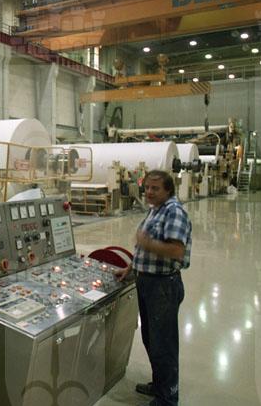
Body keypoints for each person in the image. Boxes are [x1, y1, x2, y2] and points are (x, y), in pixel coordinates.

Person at [115, 170, 192, 406]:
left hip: (163, 286)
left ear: (168, 190)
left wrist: (147, 243)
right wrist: (131, 268)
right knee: (151, 340)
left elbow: (176, 251)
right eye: (147, 187)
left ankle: (168, 398)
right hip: (147, 282)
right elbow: (143, 249)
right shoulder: (156, 209)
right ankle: (160, 385)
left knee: (163, 345)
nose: (149, 192)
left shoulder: (173, 211)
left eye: (155, 188)